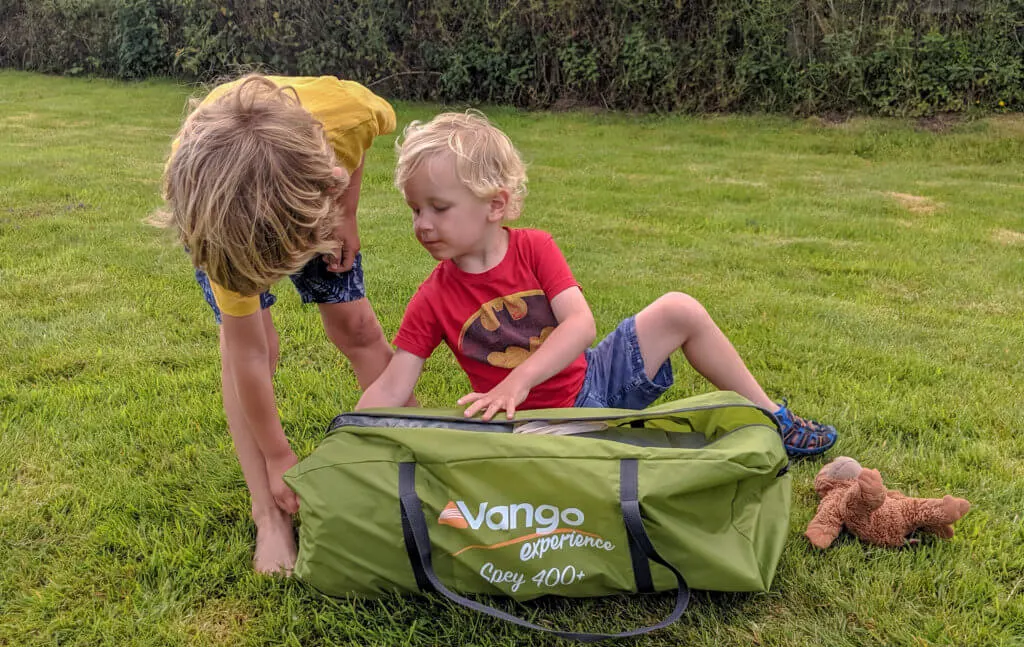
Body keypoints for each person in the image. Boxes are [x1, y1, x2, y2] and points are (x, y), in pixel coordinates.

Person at [356, 111, 837, 457]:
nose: (422, 224)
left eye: (438, 208)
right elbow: (396, 381)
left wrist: (518, 380)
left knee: (679, 308)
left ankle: (772, 417)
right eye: (415, 210)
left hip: (593, 386)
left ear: (495, 205)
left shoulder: (534, 248)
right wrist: (349, 432)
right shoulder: (434, 296)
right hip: (523, 427)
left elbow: (580, 325)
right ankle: (594, 448)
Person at [152, 74, 402, 574]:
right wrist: (278, 457)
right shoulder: (221, 226)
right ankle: (267, 515)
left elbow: (358, 145)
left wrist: (345, 214)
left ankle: (412, 460)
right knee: (252, 343)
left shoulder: (347, 113)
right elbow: (248, 356)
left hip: (304, 200)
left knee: (356, 326)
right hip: (228, 209)